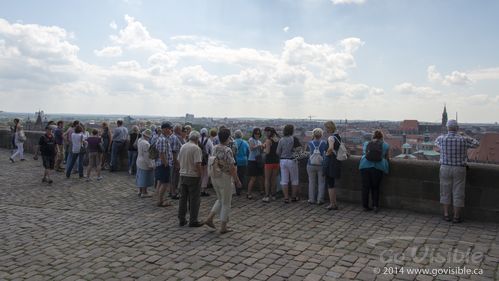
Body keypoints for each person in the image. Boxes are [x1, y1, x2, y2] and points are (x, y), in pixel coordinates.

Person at [435, 120, 479, 223]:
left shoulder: (441, 138)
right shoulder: (463, 139)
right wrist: (465, 135)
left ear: (447, 128)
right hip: (459, 168)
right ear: (457, 128)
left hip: (445, 167)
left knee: (445, 191)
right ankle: (456, 216)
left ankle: (446, 215)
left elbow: (437, 144)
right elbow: (476, 144)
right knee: (458, 192)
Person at [204, 128, 242, 234]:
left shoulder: (215, 147)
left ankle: (210, 218)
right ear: (228, 137)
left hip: (215, 176)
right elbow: (232, 167)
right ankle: (223, 226)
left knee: (220, 199)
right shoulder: (227, 150)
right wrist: (237, 180)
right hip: (224, 177)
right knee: (226, 202)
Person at [359, 130, 390, 213]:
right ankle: (375, 206)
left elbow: (364, 153)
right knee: (375, 187)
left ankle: (365, 206)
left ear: (373, 136)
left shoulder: (366, 143)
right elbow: (387, 157)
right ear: (382, 137)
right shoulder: (386, 145)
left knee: (365, 187)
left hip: (365, 166)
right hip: (378, 167)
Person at [177, 131, 204, 227]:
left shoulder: (183, 146)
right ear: (197, 139)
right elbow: (198, 164)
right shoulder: (196, 148)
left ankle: (181, 218)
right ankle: (193, 220)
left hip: (183, 174)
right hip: (193, 176)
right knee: (194, 199)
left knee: (183, 198)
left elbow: (178, 159)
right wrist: (200, 175)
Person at [276, 124, 300, 203]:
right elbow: (299, 149)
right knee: (294, 179)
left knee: (284, 180)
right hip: (292, 160)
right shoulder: (294, 139)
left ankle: (286, 198)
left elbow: (278, 152)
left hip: (283, 160)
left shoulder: (281, 139)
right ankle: (293, 197)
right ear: (292, 131)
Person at [155, 122, 174, 207]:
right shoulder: (163, 139)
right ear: (165, 129)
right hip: (163, 164)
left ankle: (160, 199)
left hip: (162, 164)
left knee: (161, 182)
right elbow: (161, 153)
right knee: (165, 183)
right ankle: (160, 201)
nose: (171, 130)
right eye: (170, 129)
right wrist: (166, 164)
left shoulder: (164, 138)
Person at [307, 128, 328, 205]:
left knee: (311, 182)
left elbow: (307, 153)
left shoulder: (309, 143)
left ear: (313, 134)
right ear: (321, 135)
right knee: (321, 183)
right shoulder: (324, 143)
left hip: (310, 164)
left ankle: (312, 199)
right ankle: (320, 200)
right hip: (321, 165)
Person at [324, 121, 342, 210]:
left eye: (326, 128)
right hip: (336, 162)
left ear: (329, 128)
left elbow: (330, 148)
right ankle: (334, 203)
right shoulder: (338, 136)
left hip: (331, 162)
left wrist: (326, 155)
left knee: (330, 184)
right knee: (332, 184)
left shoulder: (331, 137)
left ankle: (332, 203)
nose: (325, 130)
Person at [262, 127, 280, 202]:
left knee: (267, 179)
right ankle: (273, 195)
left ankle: (266, 196)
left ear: (268, 132)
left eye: (265, 132)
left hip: (269, 161)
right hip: (276, 161)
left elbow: (267, 152)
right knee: (274, 179)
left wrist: (263, 149)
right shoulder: (278, 139)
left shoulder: (268, 140)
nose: (265, 134)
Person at [136, 129, 155, 198]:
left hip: (139, 160)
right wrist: (150, 164)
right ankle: (144, 192)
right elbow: (147, 156)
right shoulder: (146, 143)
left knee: (140, 176)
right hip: (144, 162)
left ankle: (140, 191)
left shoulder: (139, 140)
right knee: (145, 177)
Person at [247, 128, 264, 199]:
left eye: (258, 133)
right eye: (256, 133)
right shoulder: (251, 139)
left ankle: (262, 191)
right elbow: (251, 148)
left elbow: (260, 152)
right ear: (253, 134)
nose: (257, 135)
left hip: (258, 160)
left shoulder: (259, 141)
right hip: (252, 160)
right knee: (253, 178)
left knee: (260, 177)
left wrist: (262, 148)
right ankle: (248, 193)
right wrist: (259, 146)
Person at [170, 124, 185, 200]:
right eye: (181, 129)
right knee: (175, 177)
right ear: (178, 130)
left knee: (173, 177)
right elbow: (174, 152)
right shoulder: (176, 138)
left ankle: (171, 191)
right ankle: (173, 192)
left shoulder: (172, 136)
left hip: (173, 160)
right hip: (175, 160)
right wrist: (176, 163)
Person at [234, 130, 249, 196]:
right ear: (241, 135)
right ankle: (240, 189)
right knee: (242, 176)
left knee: (235, 175)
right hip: (243, 161)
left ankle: (235, 189)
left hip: (235, 161)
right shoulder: (245, 143)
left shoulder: (233, 142)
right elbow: (248, 152)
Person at [199, 128, 214, 196]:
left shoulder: (197, 140)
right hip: (206, 160)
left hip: (198, 159)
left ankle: (198, 189)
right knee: (205, 175)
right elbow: (212, 151)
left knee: (199, 174)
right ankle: (203, 190)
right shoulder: (209, 141)